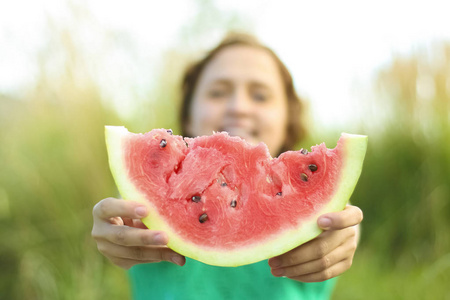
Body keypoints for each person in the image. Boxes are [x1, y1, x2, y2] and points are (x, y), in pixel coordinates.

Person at [92, 33, 363, 299]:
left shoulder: (320, 210)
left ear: (287, 118)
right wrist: (117, 232)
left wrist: (343, 239)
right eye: (218, 92)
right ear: (188, 113)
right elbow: (126, 221)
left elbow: (344, 225)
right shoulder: (146, 210)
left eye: (260, 96)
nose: (238, 107)